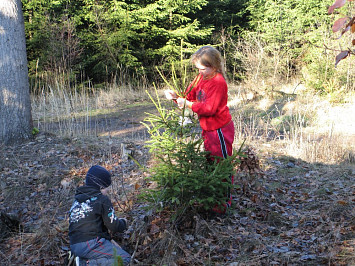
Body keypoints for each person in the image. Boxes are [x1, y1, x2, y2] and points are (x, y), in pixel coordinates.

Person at [165, 46, 235, 214]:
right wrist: (176, 96)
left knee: (222, 166)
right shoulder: (199, 78)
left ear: (214, 65)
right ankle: (212, 201)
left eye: (203, 69)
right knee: (211, 163)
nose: (200, 72)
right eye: (198, 69)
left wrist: (187, 104)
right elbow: (188, 96)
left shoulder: (218, 82)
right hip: (207, 129)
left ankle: (224, 205)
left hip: (219, 130)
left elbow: (209, 108)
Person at [68, 165, 131, 265]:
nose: (107, 191)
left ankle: (81, 260)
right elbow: (113, 225)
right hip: (90, 244)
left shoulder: (76, 201)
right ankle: (86, 264)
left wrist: (109, 240)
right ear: (100, 186)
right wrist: (124, 223)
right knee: (124, 259)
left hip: (74, 244)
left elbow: (94, 225)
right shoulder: (102, 199)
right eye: (106, 188)